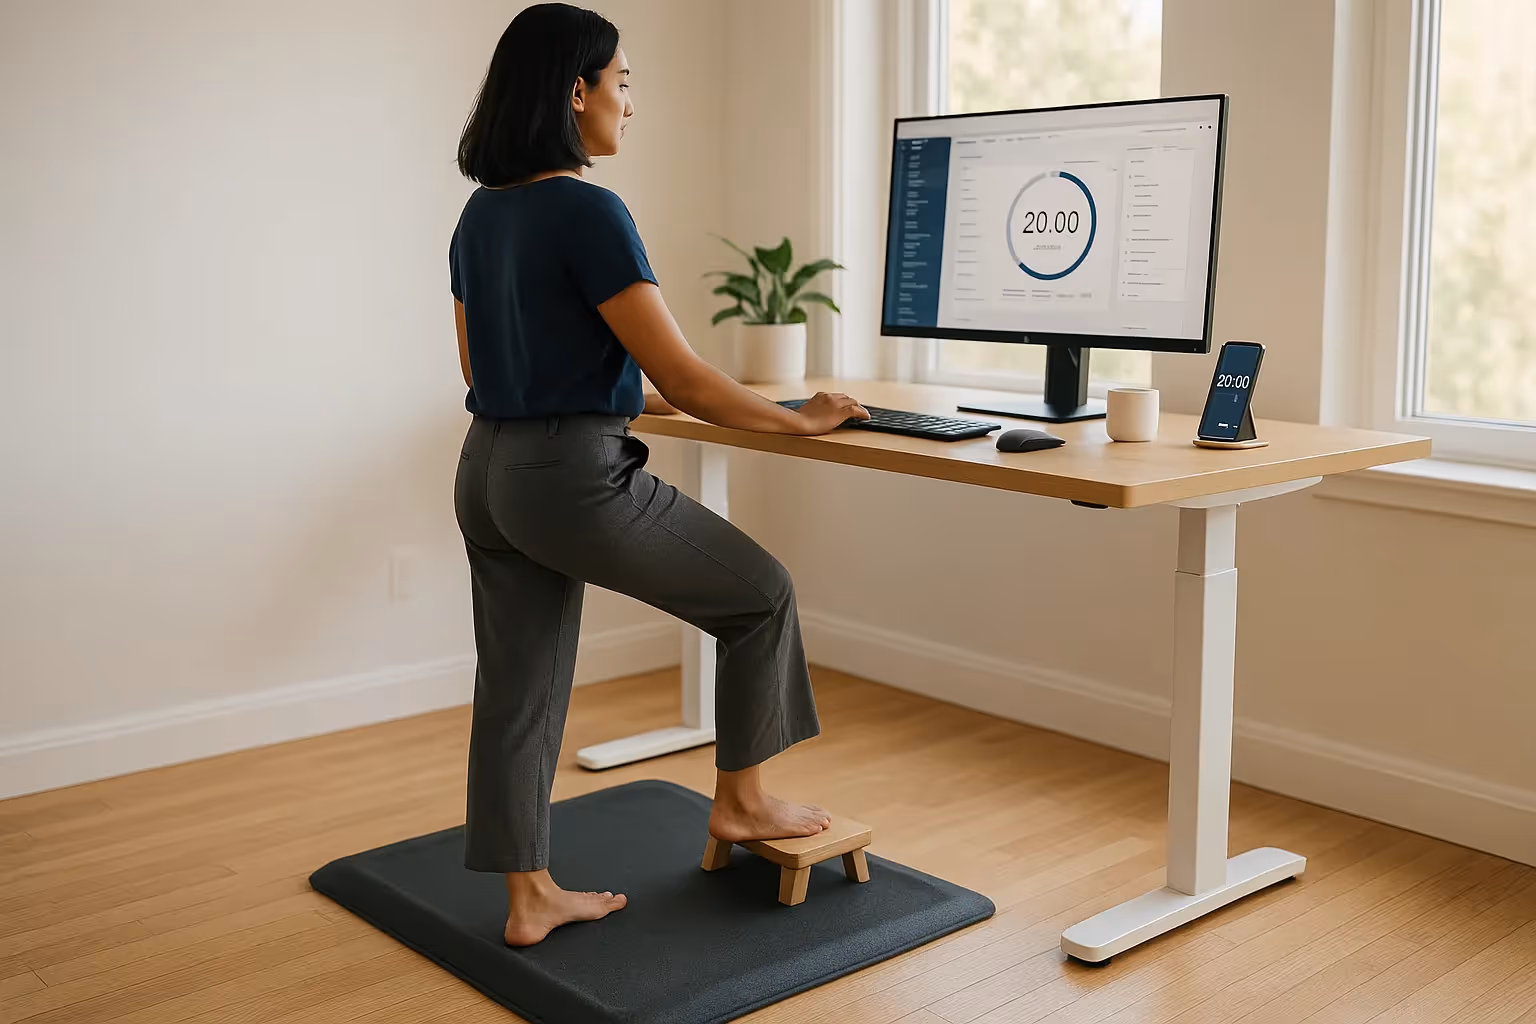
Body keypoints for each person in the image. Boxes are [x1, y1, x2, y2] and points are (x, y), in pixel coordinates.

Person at [450, 3, 870, 947]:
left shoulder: (482, 215)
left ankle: (529, 901)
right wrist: (797, 420)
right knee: (760, 596)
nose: (631, 103)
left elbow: (487, 370)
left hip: (487, 474)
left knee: (517, 687)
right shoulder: (589, 207)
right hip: (569, 475)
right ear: (576, 92)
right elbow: (680, 375)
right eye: (623, 82)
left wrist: (627, 392)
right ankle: (745, 804)